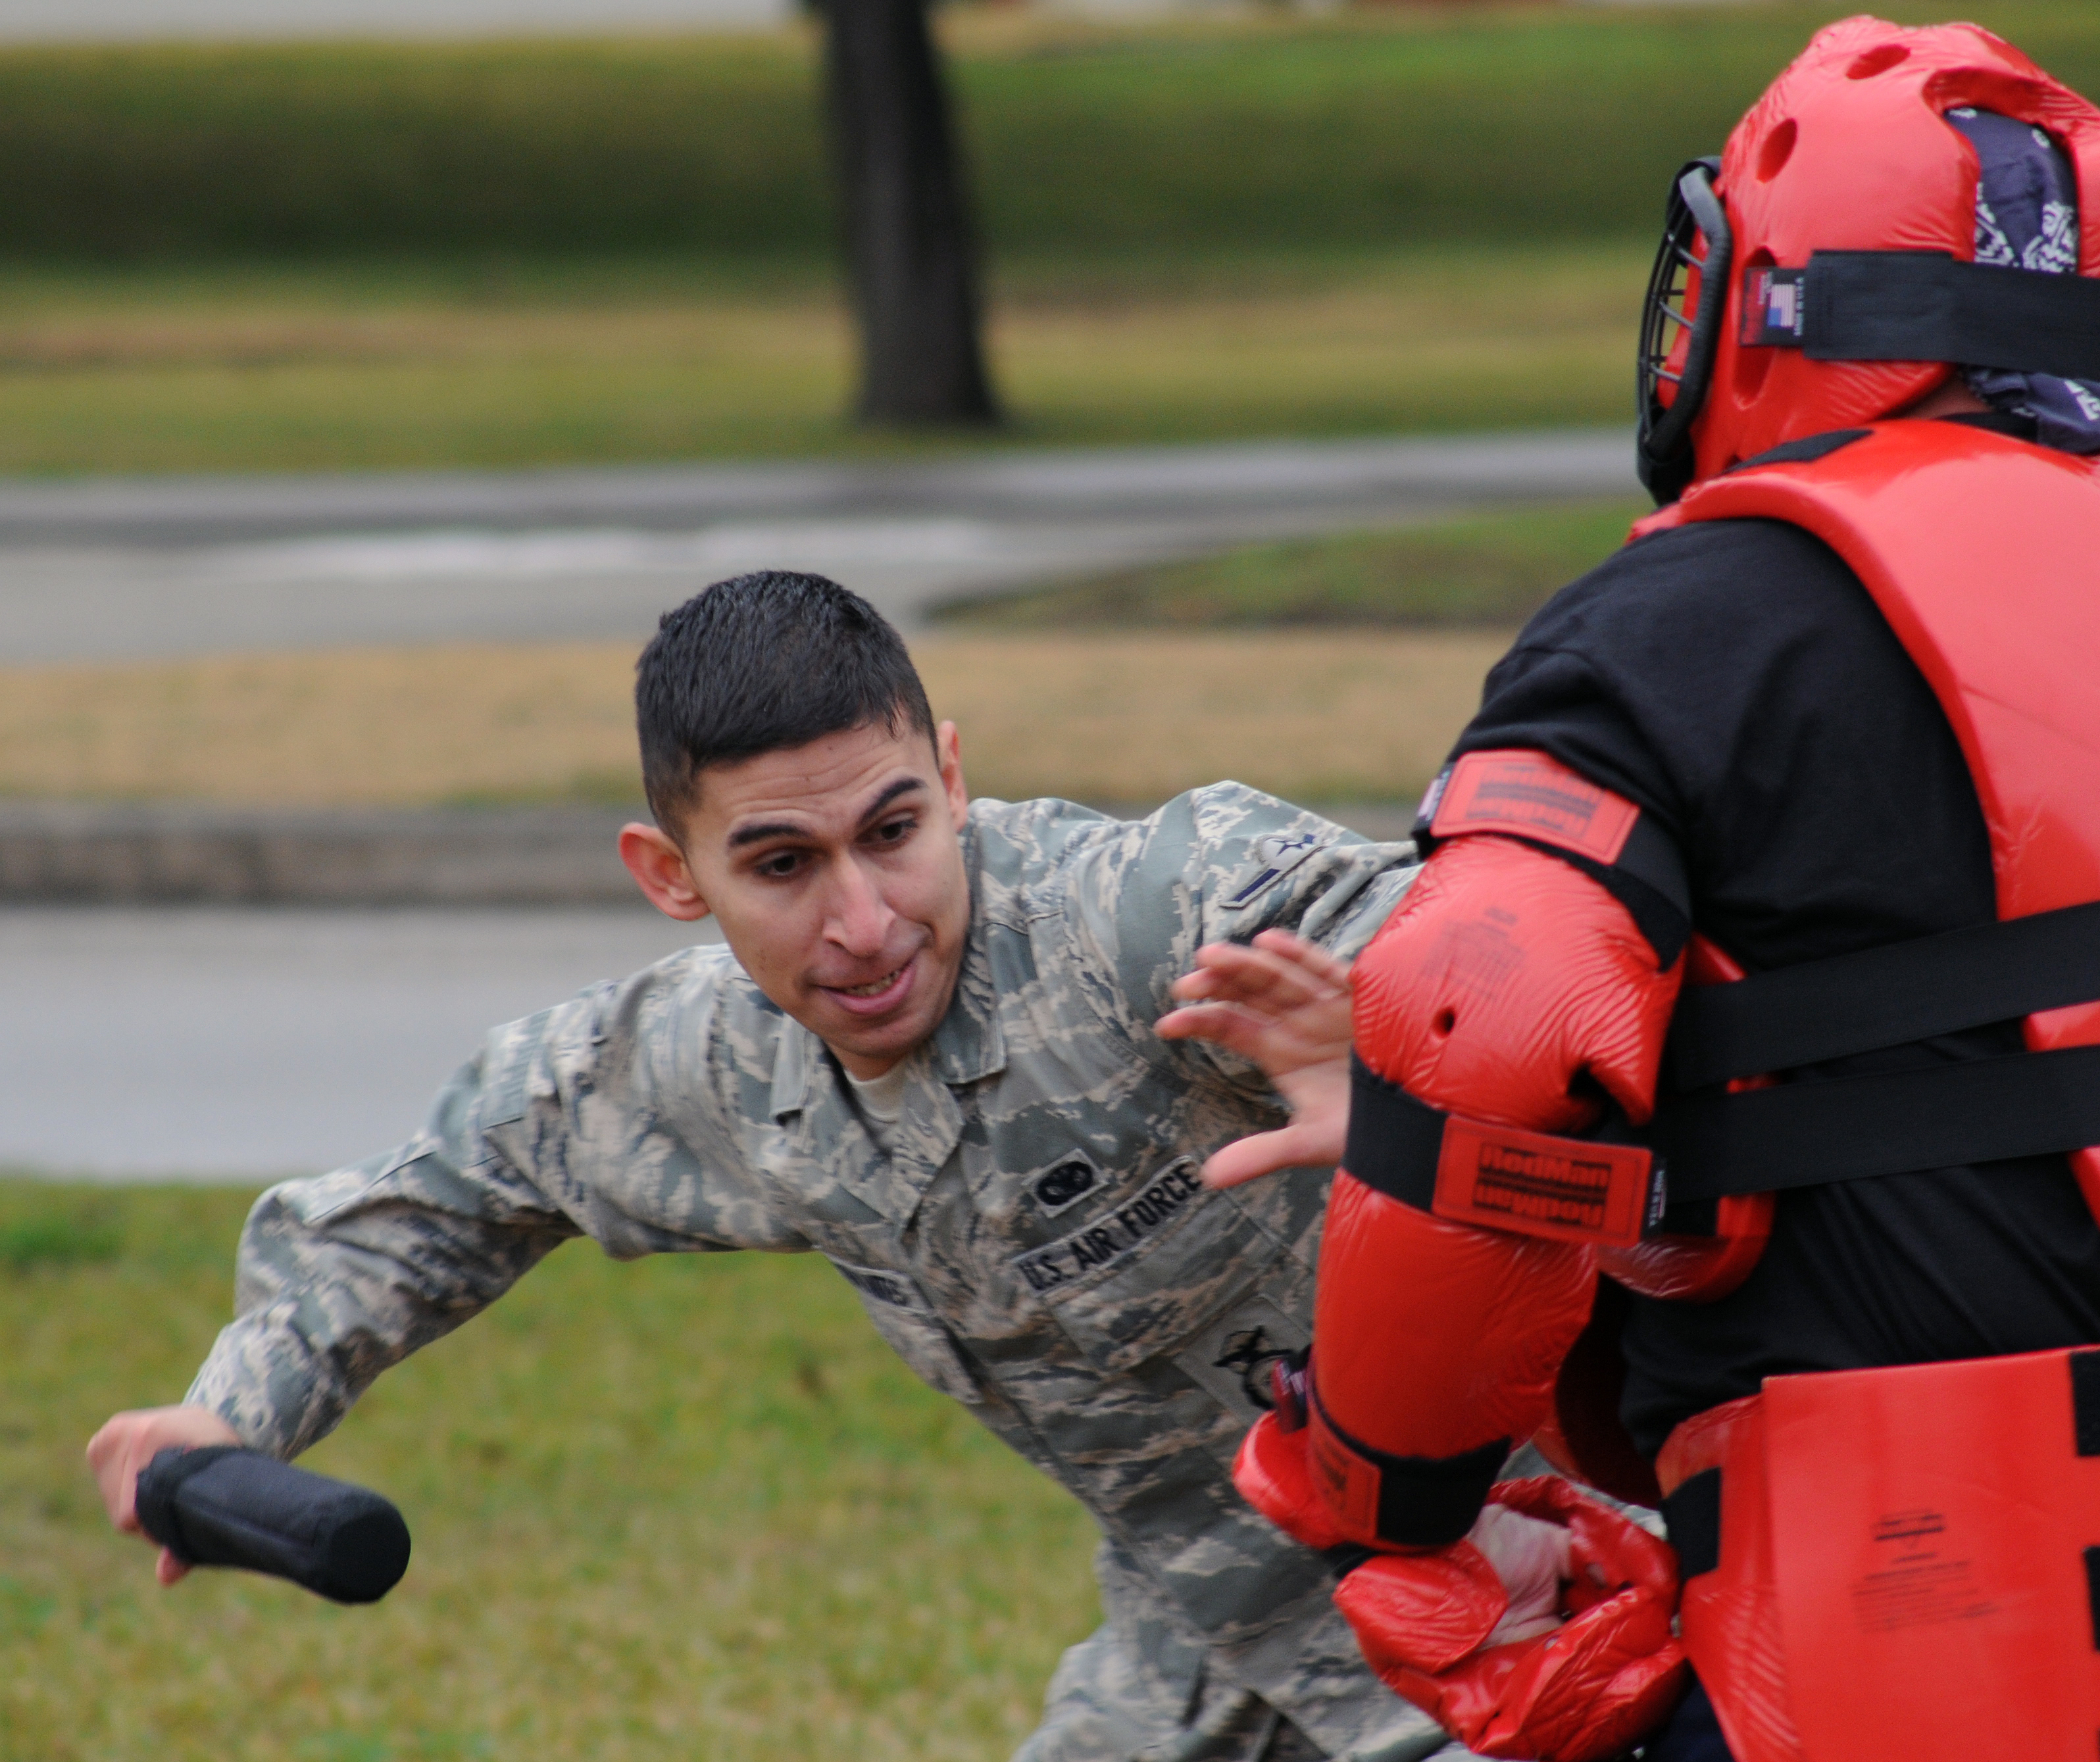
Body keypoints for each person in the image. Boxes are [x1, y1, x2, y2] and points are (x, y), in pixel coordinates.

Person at [86, 569, 1472, 1762]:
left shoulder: (1149, 914)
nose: (865, 920)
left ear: (951, 774)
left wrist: (1428, 1057)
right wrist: (228, 1416)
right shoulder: (707, 1068)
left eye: (893, 830)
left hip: (1533, 1575)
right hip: (1217, 1623)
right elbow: (444, 1190)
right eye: (781, 862)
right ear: (670, 872)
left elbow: (1517, 948)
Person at [1186, 18, 2100, 1762]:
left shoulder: (1686, 632)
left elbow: (1493, 1029)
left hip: (1902, 1613)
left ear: (1758, 299)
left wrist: (1387, 1481)